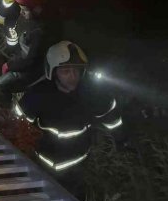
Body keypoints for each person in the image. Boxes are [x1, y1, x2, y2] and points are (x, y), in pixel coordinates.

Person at [14, 41, 124, 184]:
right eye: (65, 71)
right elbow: (18, 122)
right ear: (53, 72)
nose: (72, 76)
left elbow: (112, 119)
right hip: (41, 165)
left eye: (76, 70)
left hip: (77, 168)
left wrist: (122, 141)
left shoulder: (92, 94)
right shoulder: (38, 93)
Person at [0, 0, 50, 109]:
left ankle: (6, 112)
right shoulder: (35, 22)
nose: (22, 13)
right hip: (25, 59)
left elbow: (31, 60)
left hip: (35, 71)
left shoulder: (41, 32)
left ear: (37, 8)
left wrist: (10, 65)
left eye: (24, 10)